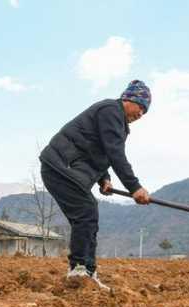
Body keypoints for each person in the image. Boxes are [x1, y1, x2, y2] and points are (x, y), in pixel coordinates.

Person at [39, 80, 152, 289]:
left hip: (64, 167)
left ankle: (86, 271)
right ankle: (80, 270)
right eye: (141, 106)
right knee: (86, 212)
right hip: (59, 165)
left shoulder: (115, 119)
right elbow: (115, 153)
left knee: (87, 213)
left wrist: (104, 178)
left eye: (145, 111)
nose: (141, 114)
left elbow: (98, 151)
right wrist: (134, 187)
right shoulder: (111, 111)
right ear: (129, 99)